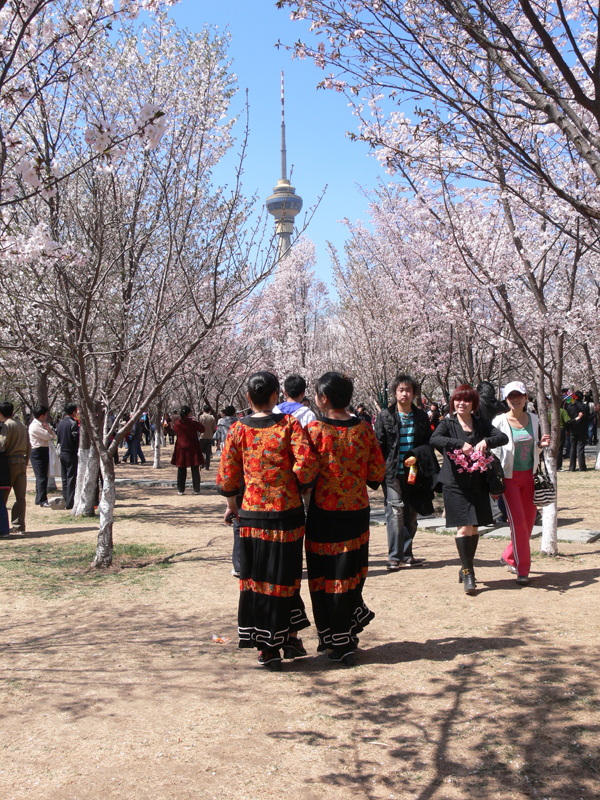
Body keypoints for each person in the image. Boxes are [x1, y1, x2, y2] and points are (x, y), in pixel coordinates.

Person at [216, 371, 319, 672]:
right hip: (287, 514)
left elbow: (227, 475)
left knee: (259, 579)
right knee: (286, 577)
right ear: (277, 395)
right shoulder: (289, 425)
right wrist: (300, 485)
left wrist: (231, 506)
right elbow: (306, 466)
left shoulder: (237, 429)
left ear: (248, 398)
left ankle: (266, 647)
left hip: (251, 515)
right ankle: (290, 636)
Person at [304, 372, 385, 665]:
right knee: (351, 575)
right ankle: (347, 635)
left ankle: (333, 638)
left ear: (323, 398)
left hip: (324, 515)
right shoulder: (364, 430)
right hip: (356, 514)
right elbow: (377, 474)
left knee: (325, 578)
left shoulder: (313, 431)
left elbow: (305, 476)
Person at [431, 385, 508, 594]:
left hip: (478, 482)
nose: (461, 403)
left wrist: (486, 440)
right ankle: (469, 572)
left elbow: (503, 438)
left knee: (474, 528)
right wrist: (458, 444)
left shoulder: (481, 424)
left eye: (466, 400)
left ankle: (465, 567)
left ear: (474, 403)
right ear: (453, 402)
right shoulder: (447, 423)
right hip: (455, 484)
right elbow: (435, 439)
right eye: (458, 399)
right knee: (464, 527)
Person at [492, 381, 550, 585]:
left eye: (519, 395)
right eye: (511, 396)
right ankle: (522, 568)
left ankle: (509, 555)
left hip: (530, 477)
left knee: (528, 522)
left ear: (526, 398)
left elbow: (532, 447)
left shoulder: (534, 419)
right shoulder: (499, 421)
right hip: (509, 479)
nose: (515, 399)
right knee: (517, 524)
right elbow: (493, 451)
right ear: (506, 399)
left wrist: (540, 446)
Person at [375, 374, 433, 570]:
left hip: (414, 474)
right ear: (395, 393)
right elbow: (379, 445)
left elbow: (427, 443)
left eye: (408, 390)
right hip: (392, 473)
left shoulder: (421, 416)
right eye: (401, 390)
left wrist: (417, 456)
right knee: (395, 512)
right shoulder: (385, 416)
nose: (405, 393)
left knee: (411, 513)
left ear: (414, 393)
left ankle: (407, 554)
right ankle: (394, 556)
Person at [0, 401, 31, 532]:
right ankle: (19, 525)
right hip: (22, 462)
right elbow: (29, 446)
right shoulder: (21, 424)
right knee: (20, 497)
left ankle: (3, 526)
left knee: (3, 497)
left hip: (9, 463)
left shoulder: (6, 425)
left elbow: (2, 444)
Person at [171, 406, 205, 495]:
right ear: (189, 413)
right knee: (195, 468)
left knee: (181, 469)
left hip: (180, 447)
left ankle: (180, 490)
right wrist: (196, 421)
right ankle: (196, 489)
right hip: (192, 447)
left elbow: (175, 430)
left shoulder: (177, 423)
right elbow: (202, 429)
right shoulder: (192, 422)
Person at [28, 405, 56, 507]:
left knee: (42, 476)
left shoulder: (42, 425)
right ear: (41, 415)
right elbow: (48, 437)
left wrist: (48, 429)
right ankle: (42, 500)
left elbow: (53, 435)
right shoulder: (35, 426)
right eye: (45, 414)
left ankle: (39, 498)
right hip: (38, 451)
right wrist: (48, 429)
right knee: (41, 476)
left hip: (43, 451)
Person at [56, 402, 80, 510]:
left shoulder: (60, 423)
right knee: (71, 478)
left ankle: (65, 498)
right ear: (74, 411)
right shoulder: (73, 424)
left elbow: (58, 439)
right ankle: (70, 503)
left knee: (64, 478)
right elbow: (76, 440)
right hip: (71, 453)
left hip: (62, 453)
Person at [566, 391, 588, 471]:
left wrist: (568, 430)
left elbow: (568, 419)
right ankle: (582, 467)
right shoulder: (584, 406)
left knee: (572, 448)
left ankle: (572, 467)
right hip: (582, 429)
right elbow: (587, 418)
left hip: (572, 429)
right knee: (581, 448)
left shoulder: (570, 407)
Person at [198, 404, 217, 469]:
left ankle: (202, 462)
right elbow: (214, 428)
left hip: (202, 436)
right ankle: (207, 466)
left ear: (203, 410)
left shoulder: (201, 417)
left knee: (202, 451)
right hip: (209, 436)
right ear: (209, 410)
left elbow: (199, 426)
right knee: (208, 452)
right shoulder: (212, 417)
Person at [0, 446, 11, 537]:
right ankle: (4, 530)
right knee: (1, 504)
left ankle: (3, 530)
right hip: (4, 481)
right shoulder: (4, 456)